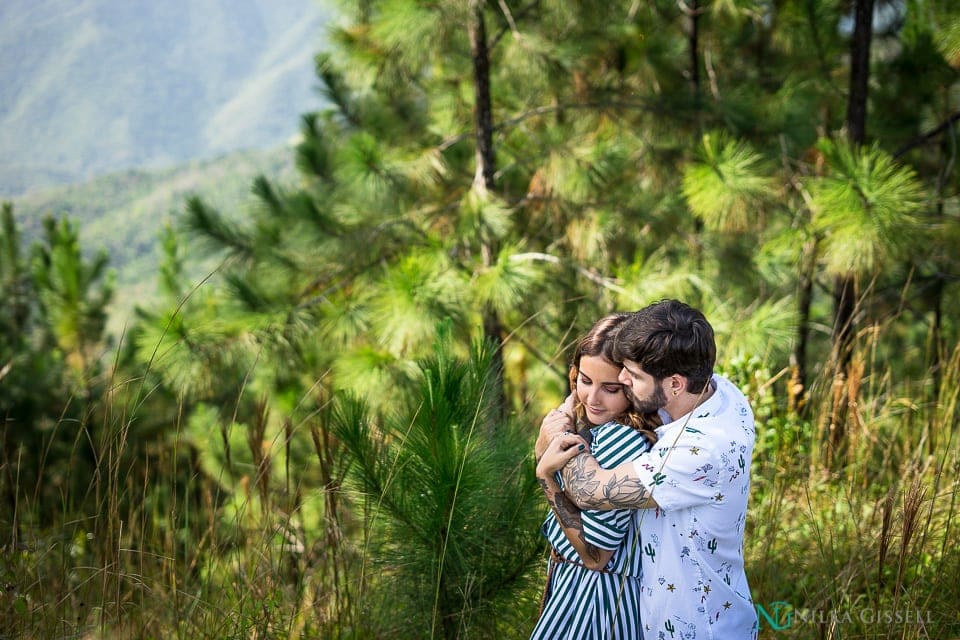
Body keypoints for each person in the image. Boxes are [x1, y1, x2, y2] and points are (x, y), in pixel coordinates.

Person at [537, 300, 759, 639]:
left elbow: (589, 490)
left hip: (697, 627)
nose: (623, 378)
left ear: (675, 384)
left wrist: (556, 437)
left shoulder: (697, 451)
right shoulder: (720, 392)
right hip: (671, 615)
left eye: (632, 377)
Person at [531, 313, 660, 640]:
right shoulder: (596, 431)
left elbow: (595, 556)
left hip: (594, 600)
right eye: (585, 381)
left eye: (610, 388)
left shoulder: (621, 440)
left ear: (632, 387)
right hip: (574, 586)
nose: (592, 398)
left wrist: (546, 476)